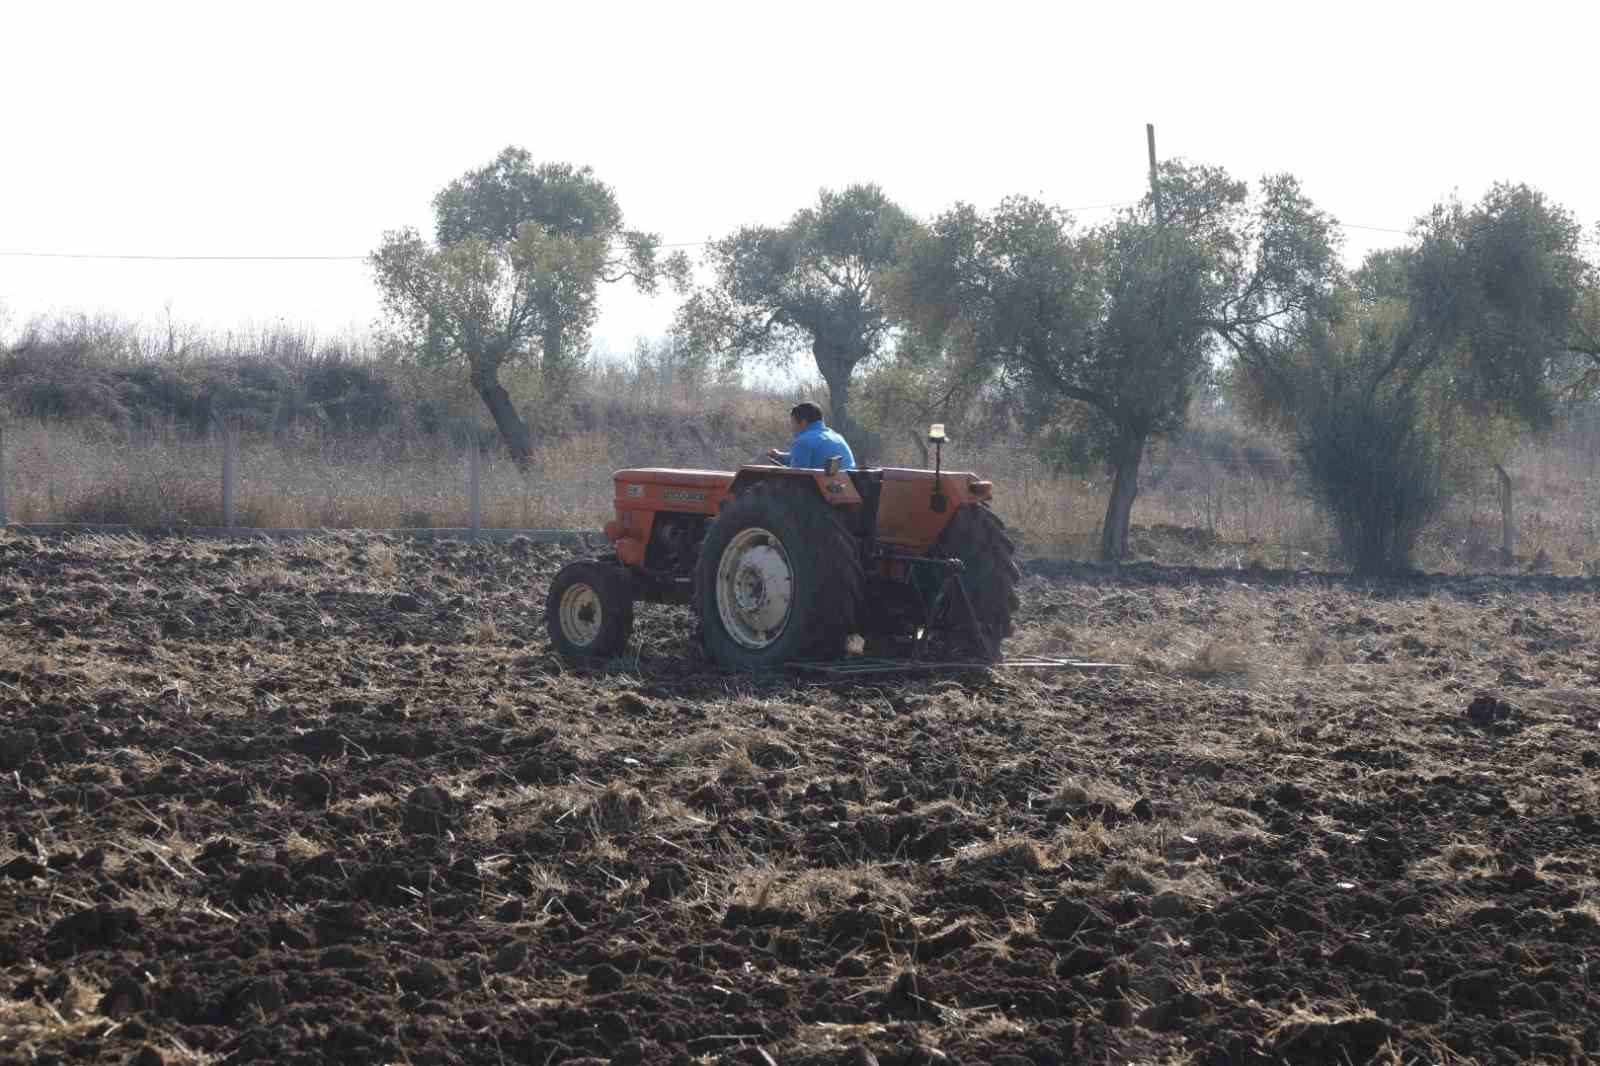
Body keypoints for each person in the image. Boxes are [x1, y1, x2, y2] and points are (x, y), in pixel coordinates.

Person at [767, 401, 856, 470]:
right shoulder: (837, 437)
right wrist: (779, 456)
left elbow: (796, 475)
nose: (792, 428)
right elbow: (806, 458)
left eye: (793, 423)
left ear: (803, 421)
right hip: (846, 486)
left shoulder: (803, 441)